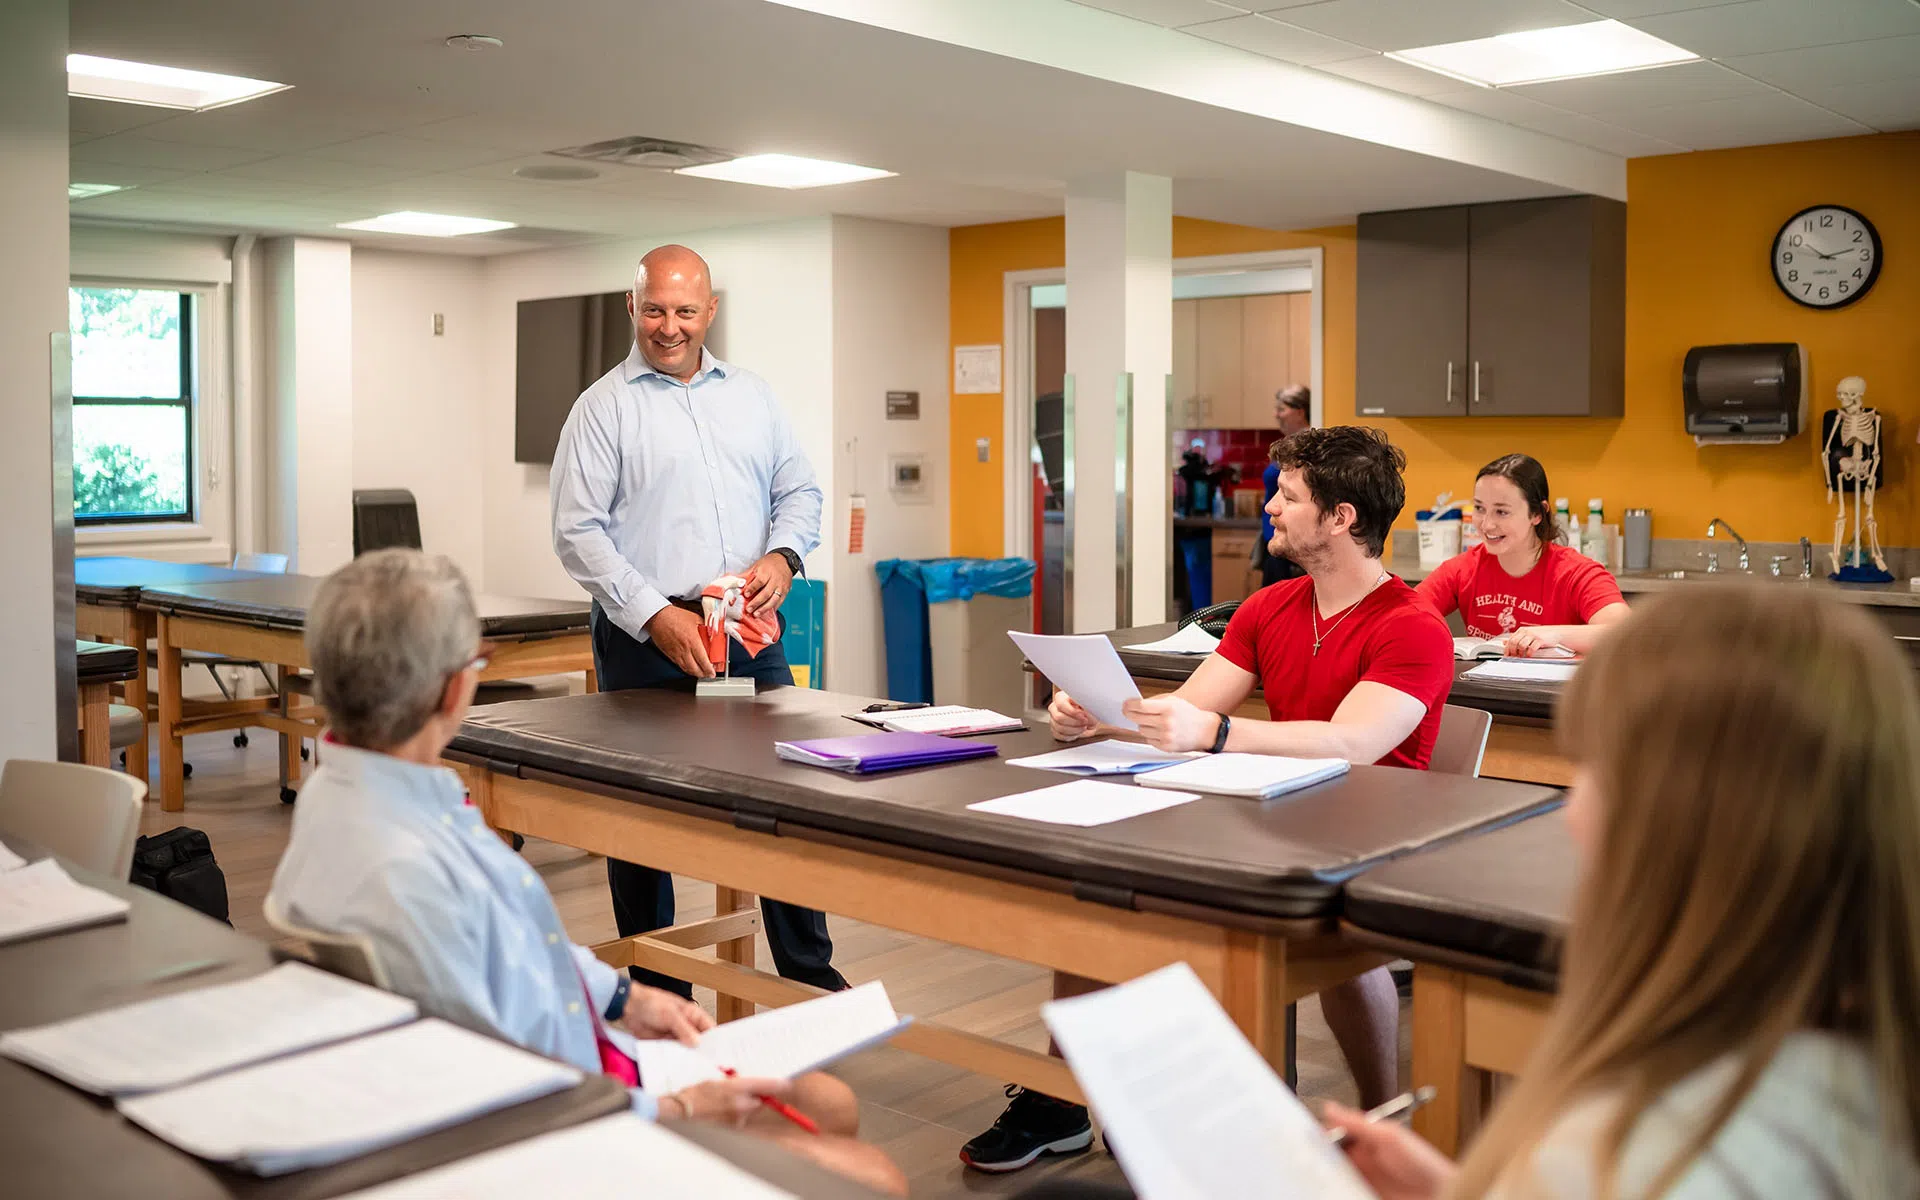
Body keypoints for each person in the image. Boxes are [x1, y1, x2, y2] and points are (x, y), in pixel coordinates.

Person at [268, 551, 904, 1195]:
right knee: (874, 1178)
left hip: (582, 1057)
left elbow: (516, 946)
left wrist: (622, 997)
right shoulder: (407, 871)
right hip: (571, 1118)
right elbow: (504, 1083)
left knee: (831, 1104)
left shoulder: (341, 795)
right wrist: (677, 1110)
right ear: (453, 688)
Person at [960, 426, 1453, 1174]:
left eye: (1288, 498)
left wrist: (1215, 732)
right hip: (1272, 812)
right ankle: (1067, 1098)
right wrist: (1100, 715)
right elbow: (1189, 712)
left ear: (1343, 518)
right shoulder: (1268, 609)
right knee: (1095, 887)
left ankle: (1383, 1120)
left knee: (1340, 948)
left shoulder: (1412, 627)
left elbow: (1354, 743)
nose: (1271, 511)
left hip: (1373, 832)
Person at [1328, 584, 1920, 1198]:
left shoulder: (1652, 1154)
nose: (1570, 812)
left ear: (1682, 820)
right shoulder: (1848, 1080)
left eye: (1595, 771)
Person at [549, 244, 847, 999]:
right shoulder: (602, 409)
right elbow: (577, 532)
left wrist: (783, 558)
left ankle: (810, 978)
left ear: (710, 311)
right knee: (642, 817)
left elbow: (801, 493)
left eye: (686, 310)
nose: (670, 326)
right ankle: (659, 987)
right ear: (632, 306)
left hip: (746, 638)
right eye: (655, 309)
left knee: (782, 797)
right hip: (648, 642)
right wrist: (656, 618)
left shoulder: (753, 397)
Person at [1416, 454, 1627, 657]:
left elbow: (1626, 635)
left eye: (1502, 512)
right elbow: (1403, 614)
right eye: (1480, 508)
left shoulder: (1577, 573)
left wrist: (1554, 634)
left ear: (1537, 513)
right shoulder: (1462, 568)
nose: (1487, 524)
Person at [1255, 384, 1312, 587]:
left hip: (1292, 543)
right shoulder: (1289, 444)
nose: (1275, 414)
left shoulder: (1310, 447)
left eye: (1281, 409)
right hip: (1274, 535)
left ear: (1300, 411)